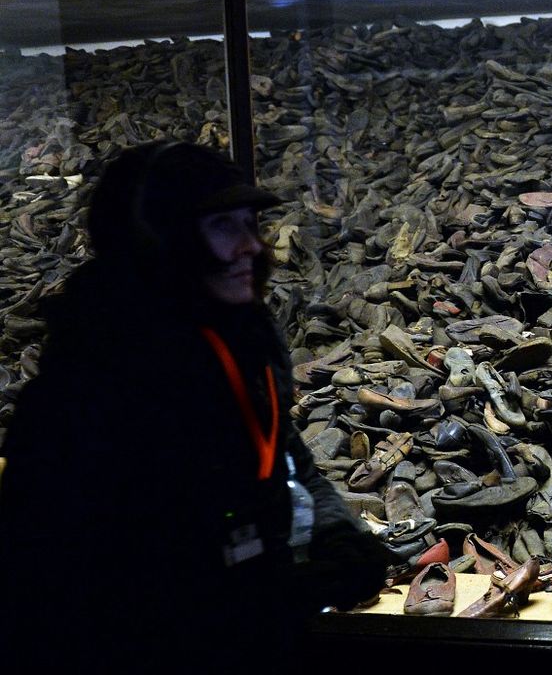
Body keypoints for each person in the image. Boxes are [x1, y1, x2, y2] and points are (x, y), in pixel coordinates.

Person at [0, 140, 391, 673]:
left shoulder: (238, 341)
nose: (251, 245)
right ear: (155, 240)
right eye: (223, 226)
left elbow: (280, 457)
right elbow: (73, 594)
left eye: (250, 222)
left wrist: (334, 530)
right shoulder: (87, 395)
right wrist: (265, 595)